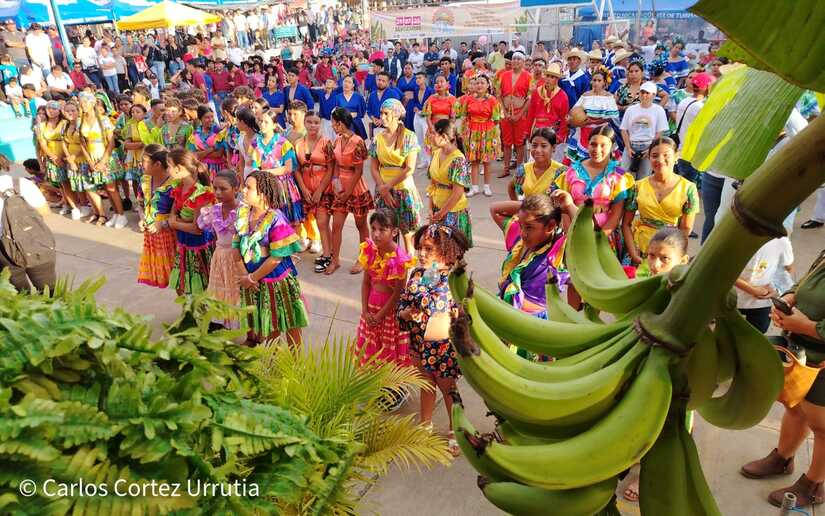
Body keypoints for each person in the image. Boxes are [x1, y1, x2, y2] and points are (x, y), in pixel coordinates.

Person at [740, 249, 825, 509]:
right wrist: (790, 298)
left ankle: (813, 486)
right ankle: (783, 459)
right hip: (805, 349)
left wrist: (806, 327)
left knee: (822, 427)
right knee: (796, 406)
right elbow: (809, 278)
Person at [397, 223, 470, 456]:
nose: (421, 253)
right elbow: (405, 303)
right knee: (426, 383)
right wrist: (405, 313)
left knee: (448, 388)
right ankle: (425, 424)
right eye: (419, 248)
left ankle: (455, 429)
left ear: (446, 252)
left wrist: (417, 303)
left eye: (428, 249)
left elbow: (436, 302)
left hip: (442, 346)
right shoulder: (418, 274)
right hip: (419, 342)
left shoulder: (452, 278)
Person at [234, 170, 308, 347]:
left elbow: (276, 258)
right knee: (269, 322)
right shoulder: (243, 214)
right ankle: (272, 360)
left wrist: (252, 278)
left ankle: (294, 363)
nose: (243, 190)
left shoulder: (276, 219)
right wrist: (245, 276)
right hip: (253, 281)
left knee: (290, 321)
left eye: (248, 188)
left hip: (276, 281)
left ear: (263, 194)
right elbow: (236, 247)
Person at [490, 192, 576, 334]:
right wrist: (530, 207)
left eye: (529, 227)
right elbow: (495, 209)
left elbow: (587, 232)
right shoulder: (518, 239)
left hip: (535, 325)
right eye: (521, 225)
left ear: (550, 226)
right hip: (506, 315)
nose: (523, 233)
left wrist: (568, 206)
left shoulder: (558, 252)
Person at [553, 126, 633, 255]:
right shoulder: (571, 172)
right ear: (587, 144)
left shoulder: (619, 176)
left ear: (612, 147)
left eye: (603, 145)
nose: (597, 150)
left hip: (604, 235)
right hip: (573, 232)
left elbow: (617, 215)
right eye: (593, 144)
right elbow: (564, 210)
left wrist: (599, 239)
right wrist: (569, 237)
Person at [621, 137, 699, 268]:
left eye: (666, 155)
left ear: (676, 157)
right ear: (649, 158)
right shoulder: (637, 186)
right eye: (655, 156)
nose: (660, 160)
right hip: (639, 247)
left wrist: (674, 255)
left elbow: (685, 229)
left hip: (667, 253)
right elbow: (626, 224)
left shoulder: (688, 189)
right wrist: (633, 253)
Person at [355, 208, 416, 375]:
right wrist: (365, 311)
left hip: (388, 314)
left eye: (382, 229)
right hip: (371, 310)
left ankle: (390, 388)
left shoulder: (400, 260)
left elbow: (397, 294)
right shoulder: (370, 251)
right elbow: (366, 283)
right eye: (373, 228)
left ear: (394, 231)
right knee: (370, 347)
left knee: (388, 351)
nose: (376, 234)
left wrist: (379, 316)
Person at [370, 98, 422, 254]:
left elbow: (409, 168)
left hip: (403, 190)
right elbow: (373, 168)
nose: (383, 117)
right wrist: (382, 188)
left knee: (407, 234)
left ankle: (408, 268)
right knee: (385, 234)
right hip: (383, 190)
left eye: (386, 113)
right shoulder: (377, 138)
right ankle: (389, 270)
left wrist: (387, 187)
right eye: (381, 113)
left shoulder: (409, 136)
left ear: (396, 115)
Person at [326, 107, 374, 275]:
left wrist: (348, 192)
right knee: (337, 224)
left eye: (333, 122)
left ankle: (363, 259)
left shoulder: (358, 141)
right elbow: (336, 166)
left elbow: (359, 171)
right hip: (342, 186)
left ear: (340, 124)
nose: (332, 125)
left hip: (356, 187)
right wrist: (337, 185)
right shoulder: (337, 140)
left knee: (361, 225)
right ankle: (335, 260)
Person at [197, 170, 245, 329]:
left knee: (237, 292)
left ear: (236, 189)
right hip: (219, 258)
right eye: (215, 188)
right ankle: (221, 324)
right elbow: (201, 226)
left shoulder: (243, 212)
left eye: (223, 189)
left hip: (238, 259)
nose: (218, 192)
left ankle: (246, 329)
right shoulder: (213, 210)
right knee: (220, 292)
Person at [0, 152, 54, 292]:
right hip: (34, 242)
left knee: (21, 297)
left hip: (4, 250)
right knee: (49, 292)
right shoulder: (22, 183)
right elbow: (44, 212)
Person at [166, 148, 215, 296]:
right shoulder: (179, 187)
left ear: (179, 168)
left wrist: (174, 223)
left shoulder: (200, 193)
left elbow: (197, 228)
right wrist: (177, 219)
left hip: (198, 245)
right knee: (181, 284)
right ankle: (190, 313)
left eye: (169, 165)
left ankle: (202, 316)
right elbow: (174, 210)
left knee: (200, 284)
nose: (167, 169)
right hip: (184, 243)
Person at [77, 92, 127, 229]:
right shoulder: (79, 121)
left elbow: (111, 142)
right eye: (81, 103)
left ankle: (121, 214)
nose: (83, 105)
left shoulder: (104, 119)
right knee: (104, 187)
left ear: (93, 103)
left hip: (106, 156)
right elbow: (82, 143)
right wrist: (90, 161)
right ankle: (115, 214)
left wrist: (103, 160)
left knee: (112, 188)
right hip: (92, 158)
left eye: (85, 102)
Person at [295, 111, 334, 262]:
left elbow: (331, 168)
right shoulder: (298, 143)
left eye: (316, 122)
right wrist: (304, 190)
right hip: (305, 187)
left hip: (322, 187)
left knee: (323, 222)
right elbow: (297, 169)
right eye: (309, 122)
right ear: (304, 123)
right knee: (308, 219)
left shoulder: (326, 143)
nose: (313, 125)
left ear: (321, 124)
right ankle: (318, 246)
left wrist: (320, 190)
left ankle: (329, 254)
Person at [427, 119, 473, 246]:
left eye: (433, 133)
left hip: (453, 213)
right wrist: (430, 209)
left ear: (444, 137)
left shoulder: (458, 159)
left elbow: (457, 193)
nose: (430, 136)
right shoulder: (436, 153)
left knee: (452, 254)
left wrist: (441, 214)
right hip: (437, 210)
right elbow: (433, 184)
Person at [734, 237, 794, 333]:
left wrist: (778, 291)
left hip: (762, 303)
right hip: (733, 300)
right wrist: (752, 290)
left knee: (758, 332)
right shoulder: (732, 237)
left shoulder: (781, 241)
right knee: (733, 334)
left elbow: (787, 269)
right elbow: (722, 269)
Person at [137, 144, 177, 289]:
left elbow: (180, 214)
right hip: (153, 234)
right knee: (169, 276)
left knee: (179, 274)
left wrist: (162, 224)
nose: (141, 164)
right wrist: (142, 218)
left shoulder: (174, 184)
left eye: (145, 161)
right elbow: (141, 204)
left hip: (172, 236)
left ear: (158, 164)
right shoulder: (144, 180)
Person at [458, 75, 501, 196]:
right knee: (474, 160)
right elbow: (464, 116)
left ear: (488, 85)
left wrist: (489, 130)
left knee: (487, 161)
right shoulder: (469, 99)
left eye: (482, 83)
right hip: (473, 132)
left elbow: (497, 119)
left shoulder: (492, 100)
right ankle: (474, 187)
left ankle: (487, 187)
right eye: (477, 83)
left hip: (488, 132)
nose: (479, 85)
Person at [565, 68, 620, 163]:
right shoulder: (585, 96)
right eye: (594, 80)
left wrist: (593, 121)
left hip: (602, 133)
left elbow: (611, 117)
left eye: (599, 80)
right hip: (584, 131)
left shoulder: (608, 97)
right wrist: (573, 120)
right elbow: (575, 111)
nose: (596, 83)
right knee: (581, 160)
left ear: (604, 82)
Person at [619, 81, 669, 180]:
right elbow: (624, 129)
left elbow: (659, 132)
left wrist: (650, 149)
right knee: (624, 174)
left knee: (644, 176)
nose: (644, 95)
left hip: (649, 145)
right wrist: (628, 147)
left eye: (647, 93)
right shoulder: (631, 109)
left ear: (653, 95)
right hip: (632, 144)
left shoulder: (658, 110)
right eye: (642, 92)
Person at [496, 51, 532, 178]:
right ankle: (506, 168)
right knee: (506, 142)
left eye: (519, 59)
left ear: (523, 62)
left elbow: (529, 98)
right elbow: (498, 95)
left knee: (519, 143)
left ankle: (519, 169)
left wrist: (520, 114)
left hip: (520, 114)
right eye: (514, 58)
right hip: (506, 113)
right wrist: (504, 112)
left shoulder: (528, 76)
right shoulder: (503, 75)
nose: (516, 61)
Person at [674, 72, 714, 183]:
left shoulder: (684, 102)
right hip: (693, 154)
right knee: (690, 189)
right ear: (706, 87)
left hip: (682, 150)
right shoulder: (700, 107)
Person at [527, 63, 569, 161]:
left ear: (557, 79)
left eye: (553, 77)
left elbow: (564, 119)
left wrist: (561, 136)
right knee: (535, 162)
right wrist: (528, 132)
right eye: (548, 76)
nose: (549, 79)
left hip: (553, 134)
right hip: (537, 131)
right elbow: (531, 114)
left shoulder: (563, 96)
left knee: (553, 164)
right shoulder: (536, 93)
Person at [511, 128, 565, 201]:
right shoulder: (523, 169)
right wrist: (517, 207)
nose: (538, 150)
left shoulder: (561, 172)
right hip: (526, 211)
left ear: (553, 148)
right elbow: (511, 187)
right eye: (534, 145)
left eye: (543, 146)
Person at [187, 105, 226, 182]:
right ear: (200, 118)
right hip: (201, 171)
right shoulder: (195, 135)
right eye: (207, 117)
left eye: (212, 117)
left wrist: (201, 153)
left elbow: (219, 154)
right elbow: (193, 155)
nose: (211, 120)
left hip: (217, 169)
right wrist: (211, 149)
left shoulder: (219, 132)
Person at [367, 71, 402, 138]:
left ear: (388, 82)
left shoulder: (393, 94)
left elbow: (397, 110)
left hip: (390, 128)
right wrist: (373, 118)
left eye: (383, 81)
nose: (380, 82)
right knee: (376, 147)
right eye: (379, 80)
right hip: (375, 126)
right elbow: (369, 110)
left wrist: (383, 120)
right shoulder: (372, 95)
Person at [334, 75, 368, 140]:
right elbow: (335, 112)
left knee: (357, 146)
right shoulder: (337, 97)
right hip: (343, 125)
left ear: (353, 85)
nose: (346, 84)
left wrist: (356, 114)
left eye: (349, 82)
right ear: (342, 83)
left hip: (356, 124)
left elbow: (363, 111)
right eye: (345, 81)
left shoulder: (359, 97)